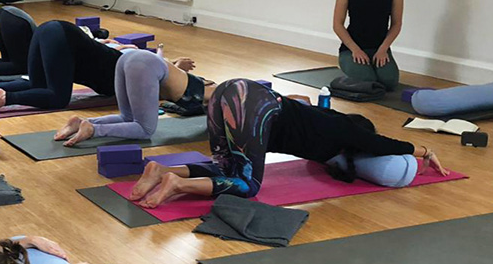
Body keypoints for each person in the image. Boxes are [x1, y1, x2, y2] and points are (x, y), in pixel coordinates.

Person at [129, 78, 449, 208]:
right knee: (248, 186)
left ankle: (162, 171)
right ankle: (176, 184)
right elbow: (382, 144)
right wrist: (424, 151)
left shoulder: (325, 119)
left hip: (231, 90)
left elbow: (299, 103)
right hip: (254, 106)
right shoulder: (346, 130)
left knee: (227, 168)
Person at [0, 20, 125, 113]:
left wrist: (121, 46)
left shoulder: (123, 64)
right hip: (61, 36)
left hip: (49, 29)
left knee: (39, 85)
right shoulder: (128, 73)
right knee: (58, 98)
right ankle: (7, 98)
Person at [55, 50, 207, 146]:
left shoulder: (201, 89)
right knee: (145, 130)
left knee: (127, 118)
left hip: (129, 58)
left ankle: (81, 123)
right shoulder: (215, 95)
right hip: (144, 64)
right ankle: (93, 130)